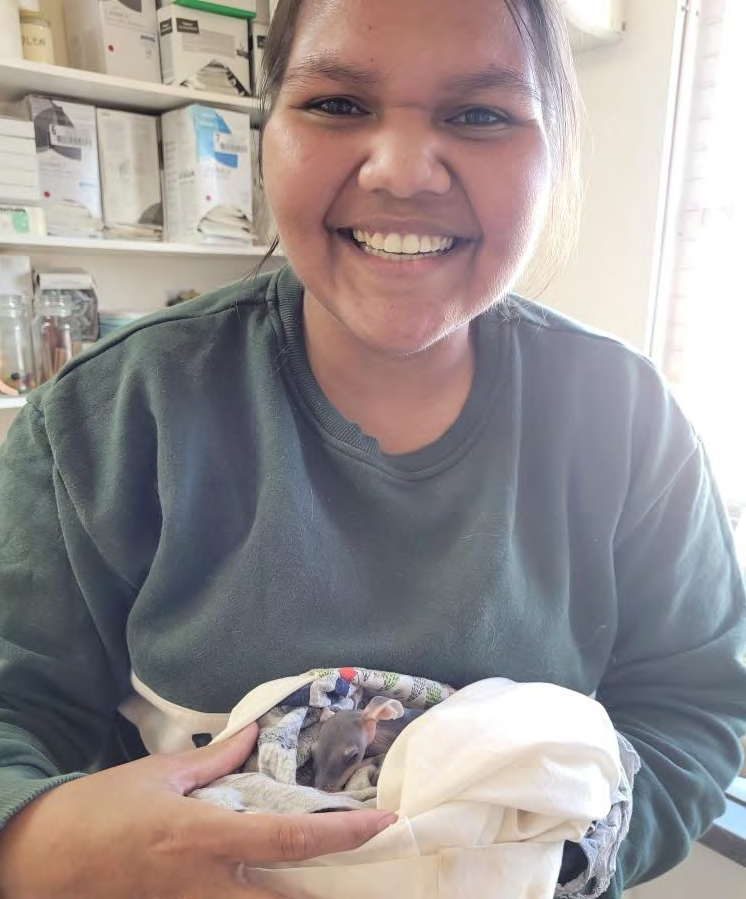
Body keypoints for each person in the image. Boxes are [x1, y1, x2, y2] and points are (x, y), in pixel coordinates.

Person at [0, 0, 744, 896]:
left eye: (479, 114)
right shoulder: (111, 418)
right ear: (266, 127)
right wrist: (40, 841)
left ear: (555, 154)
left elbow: (692, 706)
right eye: (338, 105)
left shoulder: (629, 423)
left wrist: (557, 857)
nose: (401, 171)